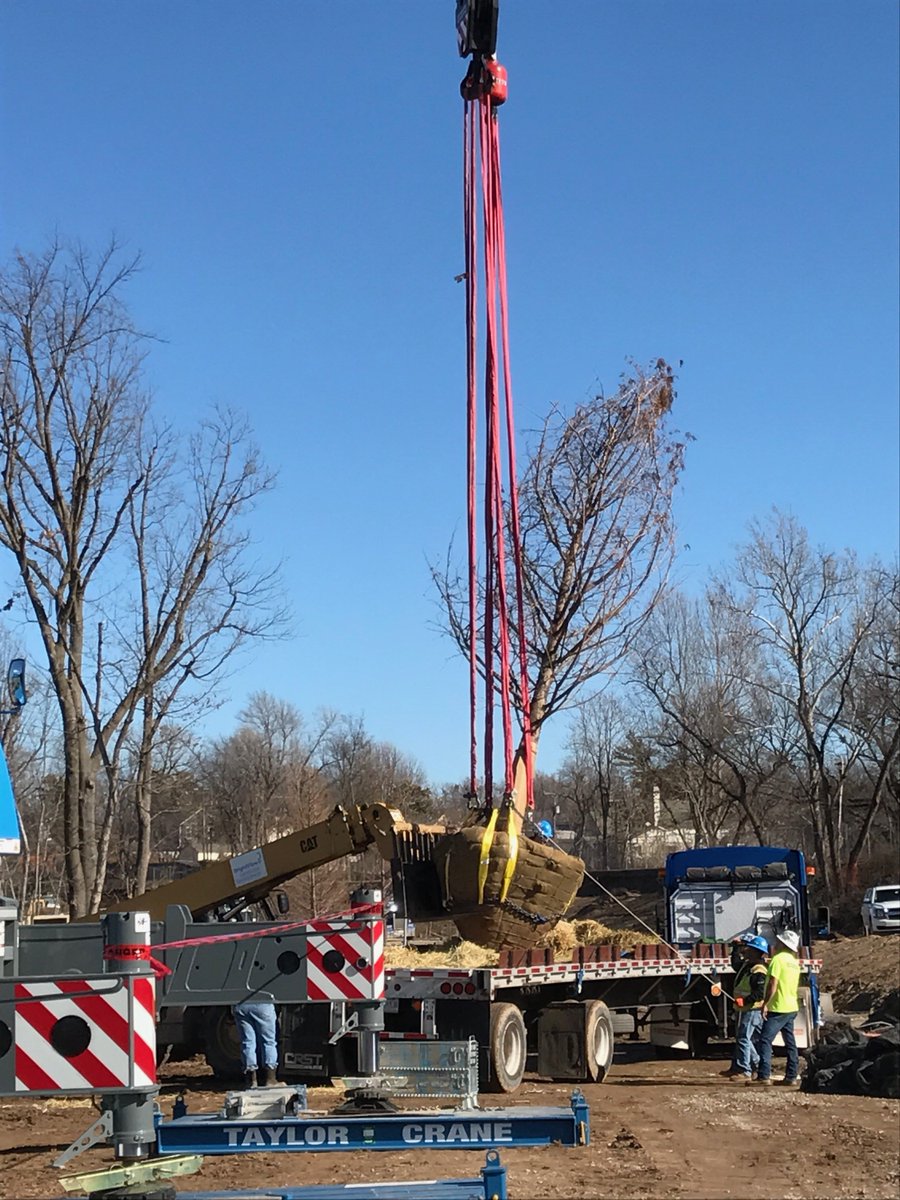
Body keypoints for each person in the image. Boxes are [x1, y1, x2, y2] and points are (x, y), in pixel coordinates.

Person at [750, 928, 802, 1087]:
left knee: (765, 1040)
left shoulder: (778, 960)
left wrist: (765, 1003)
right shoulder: (794, 963)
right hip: (791, 1006)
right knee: (790, 1044)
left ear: (783, 943)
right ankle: (791, 1076)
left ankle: (764, 1075)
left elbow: (773, 983)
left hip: (778, 1007)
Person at [721, 934, 769, 1081]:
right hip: (747, 1008)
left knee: (744, 1038)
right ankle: (754, 1065)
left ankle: (746, 1070)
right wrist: (735, 948)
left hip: (752, 1008)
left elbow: (760, 993)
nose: (746, 951)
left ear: (756, 952)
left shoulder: (758, 970)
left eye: (749, 949)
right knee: (750, 1039)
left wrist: (746, 1001)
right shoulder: (748, 966)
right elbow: (735, 964)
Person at [232, 1000, 278, 1088]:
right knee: (268, 1041)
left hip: (241, 1004)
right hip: (263, 1004)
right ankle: (271, 1079)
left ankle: (251, 1080)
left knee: (247, 1042)